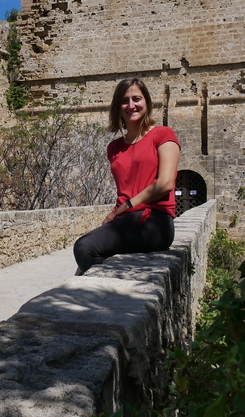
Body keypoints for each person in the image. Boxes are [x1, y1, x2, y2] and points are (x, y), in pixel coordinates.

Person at [73, 77, 181, 274]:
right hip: (126, 220)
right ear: (117, 107)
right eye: (125, 100)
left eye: (136, 99)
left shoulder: (163, 135)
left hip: (155, 220)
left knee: (84, 247)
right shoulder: (113, 147)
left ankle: (108, 296)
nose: (131, 105)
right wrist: (118, 214)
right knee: (83, 266)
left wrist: (125, 206)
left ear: (146, 102)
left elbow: (165, 183)